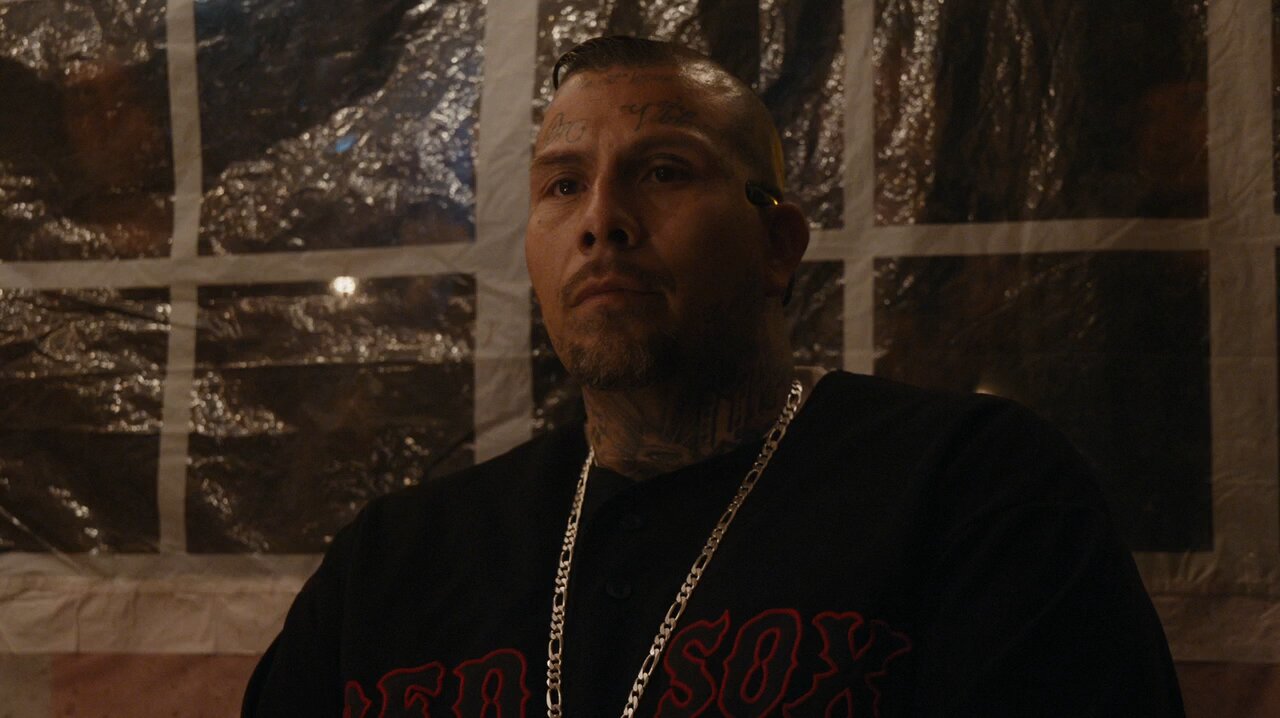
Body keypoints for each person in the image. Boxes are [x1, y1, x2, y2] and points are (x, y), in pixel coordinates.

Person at [243, 36, 1185, 716]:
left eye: (662, 171)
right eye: (563, 184)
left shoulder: (974, 490)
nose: (600, 220)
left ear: (778, 245)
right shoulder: (393, 563)